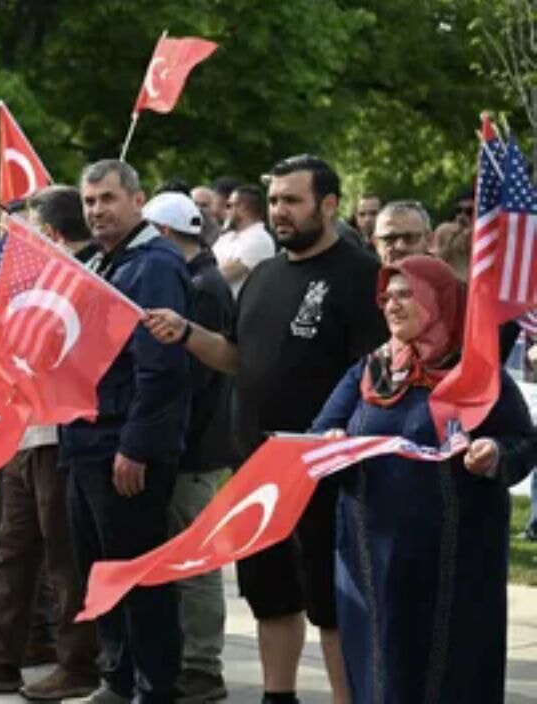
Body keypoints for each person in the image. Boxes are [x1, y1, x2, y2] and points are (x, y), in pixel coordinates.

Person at [144, 155, 388, 704]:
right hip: (258, 470)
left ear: (327, 205)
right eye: (274, 199)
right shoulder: (263, 276)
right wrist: (185, 332)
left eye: (292, 200)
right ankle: (279, 697)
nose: (279, 211)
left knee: (331, 604)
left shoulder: (362, 276)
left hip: (327, 473)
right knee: (270, 597)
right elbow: (235, 357)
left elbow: (372, 378)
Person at [310, 255, 537, 703]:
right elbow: (319, 432)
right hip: (371, 557)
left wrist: (493, 454)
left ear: (439, 301)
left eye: (406, 294)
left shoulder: (476, 373)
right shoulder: (369, 371)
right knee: (382, 670)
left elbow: (523, 441)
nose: (392, 305)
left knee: (448, 670)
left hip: (454, 559)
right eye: (387, 296)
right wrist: (332, 441)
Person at [0, 186, 100, 701]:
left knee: (64, 556)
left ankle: (78, 663)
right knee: (13, 551)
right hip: (17, 434)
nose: (9, 234)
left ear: (48, 230)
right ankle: (0, 659)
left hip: (60, 437)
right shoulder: (15, 276)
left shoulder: (87, 277)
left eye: (21, 225)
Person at [66, 160, 192, 703]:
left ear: (137, 201)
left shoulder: (155, 264)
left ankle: (152, 687)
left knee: (137, 574)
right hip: (84, 441)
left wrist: (136, 445)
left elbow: (160, 368)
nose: (97, 210)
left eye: (108, 199)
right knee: (100, 572)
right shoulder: (98, 261)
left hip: (124, 445)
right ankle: (115, 679)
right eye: (90, 201)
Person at [144, 192, 237, 703]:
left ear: (161, 233)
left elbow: (195, 376)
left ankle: (202, 668)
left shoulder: (202, 286)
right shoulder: (200, 278)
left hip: (194, 446)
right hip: (189, 442)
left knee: (195, 561)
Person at [211, 184, 274, 297]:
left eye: (229, 205)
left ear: (243, 208)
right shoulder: (227, 237)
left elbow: (225, 273)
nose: (226, 211)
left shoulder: (259, 238)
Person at [371, 200, 431, 266]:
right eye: (390, 238)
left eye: (409, 237)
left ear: (428, 240)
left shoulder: (442, 275)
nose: (400, 246)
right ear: (376, 243)